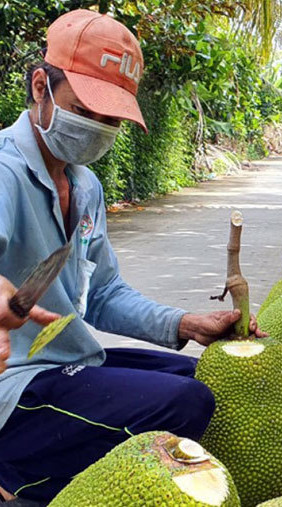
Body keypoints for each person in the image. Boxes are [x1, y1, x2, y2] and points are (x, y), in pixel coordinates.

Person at [0, 9, 264, 503]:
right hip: (15, 388)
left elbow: (102, 294)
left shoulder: (85, 184)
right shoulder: (5, 172)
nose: (98, 127)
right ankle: (22, 483)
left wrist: (186, 323)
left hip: (67, 360)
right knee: (189, 402)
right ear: (40, 87)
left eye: (110, 117)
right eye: (86, 109)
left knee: (209, 378)